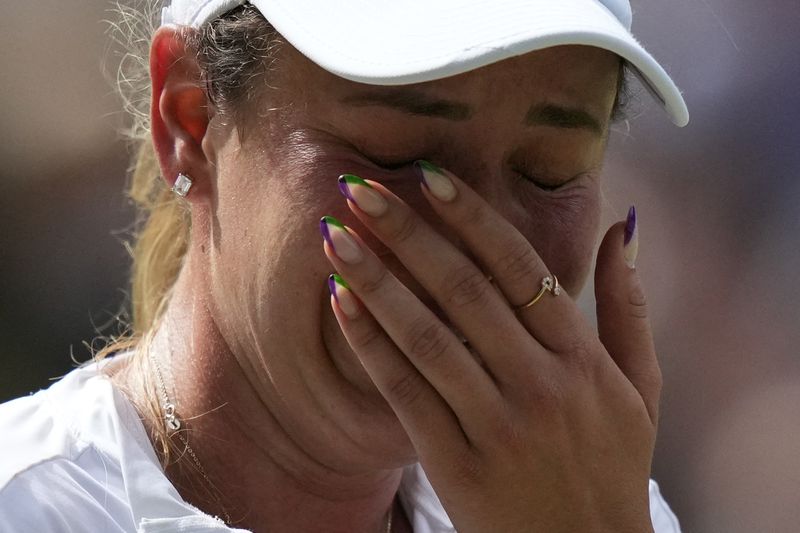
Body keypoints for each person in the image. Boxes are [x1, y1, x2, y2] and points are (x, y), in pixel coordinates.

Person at [0, 0, 689, 531]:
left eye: (548, 171)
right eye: (395, 153)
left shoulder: (599, 509)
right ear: (189, 121)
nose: (481, 245)